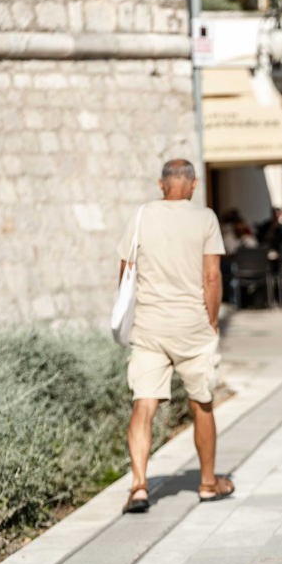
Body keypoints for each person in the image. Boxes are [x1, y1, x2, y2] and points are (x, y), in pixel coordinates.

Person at [116, 159, 235, 514]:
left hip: (150, 327)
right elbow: (212, 277)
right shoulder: (206, 218)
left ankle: (139, 487)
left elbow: (126, 273)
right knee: (201, 402)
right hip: (192, 327)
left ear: (161, 184)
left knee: (144, 404)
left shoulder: (141, 216)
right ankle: (208, 483)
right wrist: (212, 320)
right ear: (193, 185)